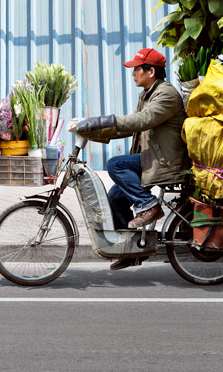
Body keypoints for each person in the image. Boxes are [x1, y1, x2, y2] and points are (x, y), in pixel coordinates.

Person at [74, 48, 188, 270]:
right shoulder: (147, 94)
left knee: (115, 164)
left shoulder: (166, 94)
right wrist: (95, 130)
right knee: (115, 197)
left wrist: (107, 120)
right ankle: (131, 250)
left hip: (167, 162)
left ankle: (148, 205)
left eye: (137, 69)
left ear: (151, 71)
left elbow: (143, 120)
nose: (133, 73)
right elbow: (132, 128)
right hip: (153, 157)